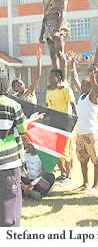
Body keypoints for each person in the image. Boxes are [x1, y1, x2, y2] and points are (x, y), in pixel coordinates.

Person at [0, 73, 44, 227]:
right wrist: (34, 119)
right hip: (8, 164)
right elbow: (22, 128)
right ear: (6, 86)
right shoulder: (12, 105)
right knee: (10, 203)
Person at [69, 52, 98, 195]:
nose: (81, 86)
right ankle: (85, 183)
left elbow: (95, 86)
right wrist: (72, 64)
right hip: (80, 133)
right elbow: (75, 79)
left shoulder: (93, 96)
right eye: (81, 85)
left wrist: (92, 75)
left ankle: (95, 186)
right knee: (82, 160)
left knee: (96, 160)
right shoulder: (82, 96)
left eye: (84, 84)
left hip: (91, 133)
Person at [46, 69, 77, 186]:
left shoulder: (66, 90)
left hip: (66, 125)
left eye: (52, 76)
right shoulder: (49, 90)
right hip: (54, 124)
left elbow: (73, 106)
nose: (50, 78)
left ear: (59, 77)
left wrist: (75, 121)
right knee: (55, 151)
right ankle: (63, 174)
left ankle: (69, 176)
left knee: (66, 151)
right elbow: (47, 106)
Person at [39, 0, 70, 80]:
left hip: (58, 23)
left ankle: (64, 79)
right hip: (48, 25)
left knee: (60, 53)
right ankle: (57, 78)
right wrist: (41, 33)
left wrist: (58, 29)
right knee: (52, 55)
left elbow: (63, 13)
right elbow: (45, 16)